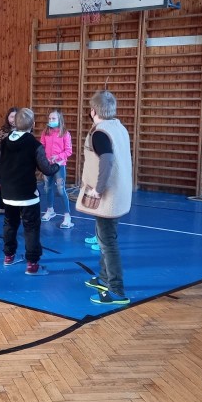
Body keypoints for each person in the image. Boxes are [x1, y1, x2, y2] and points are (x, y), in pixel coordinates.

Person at [77, 90, 132, 305]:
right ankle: (104, 277)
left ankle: (116, 290)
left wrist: (98, 189)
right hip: (120, 192)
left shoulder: (100, 133)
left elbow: (107, 160)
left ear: (93, 111)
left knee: (108, 241)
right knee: (105, 237)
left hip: (109, 194)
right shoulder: (118, 127)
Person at [0, 108, 59, 275]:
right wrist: (57, 165)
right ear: (32, 124)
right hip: (28, 196)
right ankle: (32, 264)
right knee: (31, 228)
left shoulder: (4, 143)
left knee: (9, 224)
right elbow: (47, 169)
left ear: (15, 123)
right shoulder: (35, 145)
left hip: (8, 195)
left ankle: (8, 256)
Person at [40, 109, 74, 228]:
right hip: (47, 165)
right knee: (47, 188)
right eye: (49, 118)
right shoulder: (45, 132)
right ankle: (50, 210)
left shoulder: (65, 133)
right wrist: (43, 159)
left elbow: (68, 151)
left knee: (60, 189)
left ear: (59, 119)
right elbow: (41, 146)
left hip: (59, 165)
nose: (51, 120)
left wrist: (58, 157)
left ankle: (67, 216)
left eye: (53, 118)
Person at [0, 107, 17, 216]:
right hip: (4, 162)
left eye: (15, 117)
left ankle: (17, 210)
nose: (13, 119)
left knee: (15, 186)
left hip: (16, 164)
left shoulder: (23, 130)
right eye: (11, 117)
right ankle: (2, 208)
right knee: (0, 186)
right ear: (8, 118)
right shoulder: (3, 130)